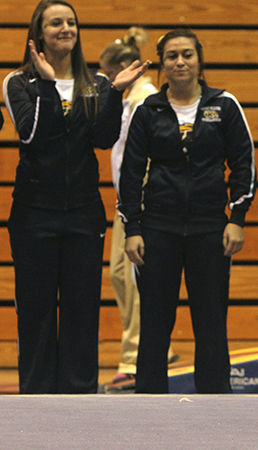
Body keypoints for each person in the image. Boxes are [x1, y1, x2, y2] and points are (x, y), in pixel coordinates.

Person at [2, 0, 148, 394]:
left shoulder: (96, 83)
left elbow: (102, 140)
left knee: (82, 309)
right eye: (55, 23)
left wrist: (114, 94)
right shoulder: (19, 82)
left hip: (83, 214)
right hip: (34, 214)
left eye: (70, 22)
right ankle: (36, 395)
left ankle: (80, 395)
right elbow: (32, 136)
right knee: (37, 310)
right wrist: (49, 85)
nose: (65, 28)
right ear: (38, 35)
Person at [118, 29, 256, 394]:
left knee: (211, 321)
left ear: (199, 59)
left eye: (187, 55)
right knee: (154, 323)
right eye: (172, 56)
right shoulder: (149, 110)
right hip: (157, 230)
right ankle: (148, 400)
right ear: (162, 64)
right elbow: (130, 173)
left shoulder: (224, 105)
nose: (180, 62)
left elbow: (244, 165)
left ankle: (216, 403)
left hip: (210, 229)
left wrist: (237, 219)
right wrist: (133, 227)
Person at [99, 27, 176, 391]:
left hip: (141, 201)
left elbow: (144, 154)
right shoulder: (127, 99)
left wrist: (139, 205)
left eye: (106, 72)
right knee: (118, 274)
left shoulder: (145, 99)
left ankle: (135, 356)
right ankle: (155, 347)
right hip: (123, 201)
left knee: (134, 278)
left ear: (126, 67)